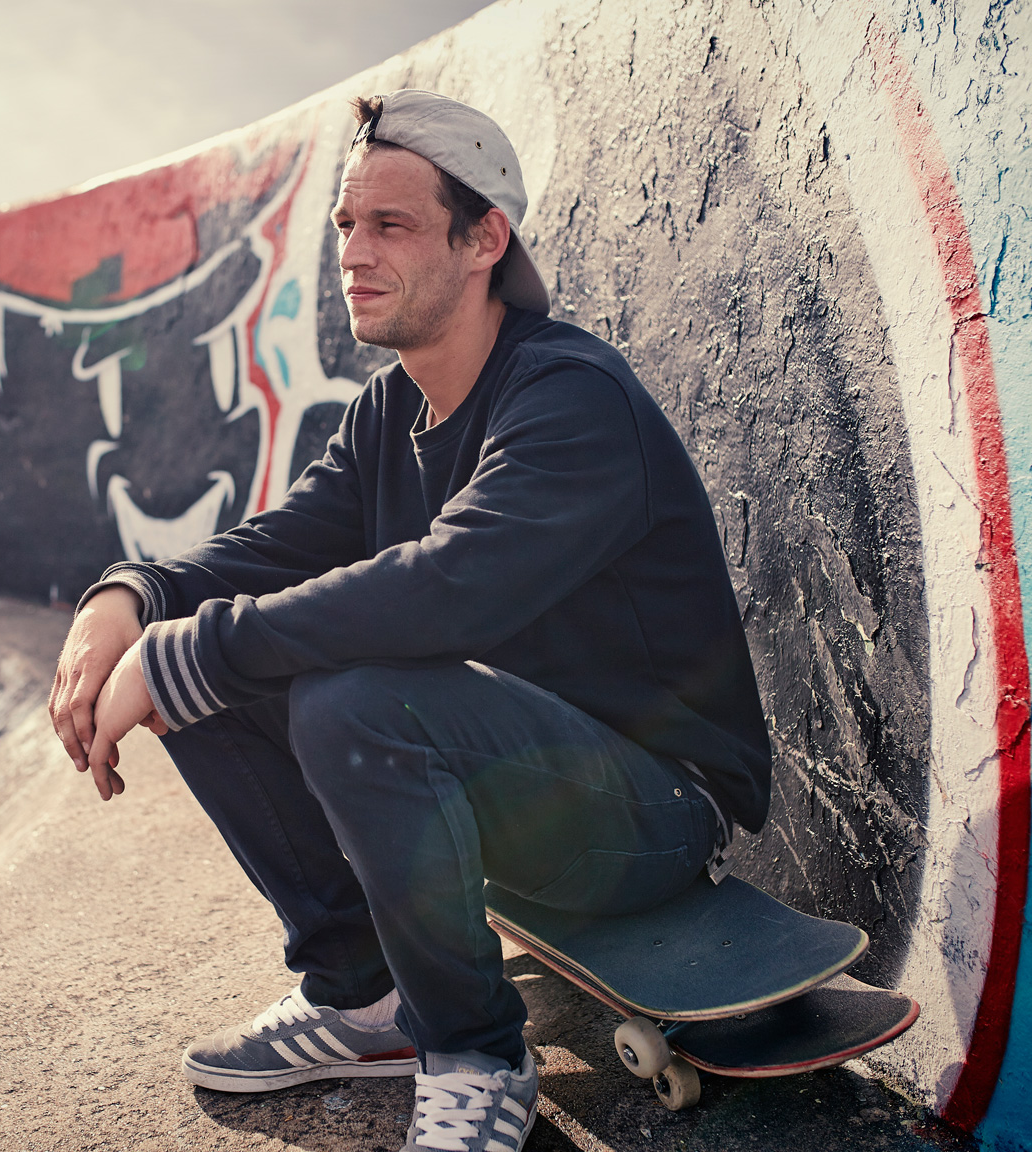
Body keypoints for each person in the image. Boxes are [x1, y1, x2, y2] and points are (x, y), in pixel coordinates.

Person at [48, 89, 771, 1152]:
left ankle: (478, 1057)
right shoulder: (388, 413)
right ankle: (365, 1001)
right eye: (347, 223)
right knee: (215, 653)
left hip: (655, 807)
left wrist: (191, 651)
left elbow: (453, 584)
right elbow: (270, 551)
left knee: (340, 694)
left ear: (485, 240)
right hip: (512, 779)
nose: (354, 251)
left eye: (391, 224)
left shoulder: (571, 396)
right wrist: (130, 599)